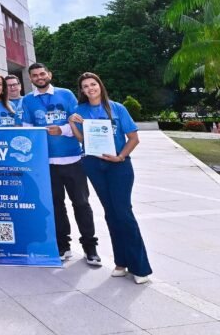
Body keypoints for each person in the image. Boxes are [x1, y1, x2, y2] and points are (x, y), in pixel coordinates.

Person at [68, 72, 151, 283]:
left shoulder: (117, 108)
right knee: (110, 213)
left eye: (93, 84)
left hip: (119, 165)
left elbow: (133, 138)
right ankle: (121, 262)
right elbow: (82, 140)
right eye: (85, 86)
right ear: (82, 90)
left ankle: (140, 268)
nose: (90, 89)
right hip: (94, 165)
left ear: (100, 85)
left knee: (123, 213)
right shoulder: (79, 110)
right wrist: (72, 123)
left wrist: (120, 156)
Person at [21, 63, 100, 265]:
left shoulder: (66, 94)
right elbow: (27, 129)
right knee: (56, 206)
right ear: (30, 79)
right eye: (35, 75)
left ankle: (90, 248)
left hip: (73, 159)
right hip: (46, 163)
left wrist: (62, 130)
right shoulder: (27, 101)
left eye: (42, 73)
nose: (39, 77)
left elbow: (77, 121)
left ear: (49, 74)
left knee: (81, 204)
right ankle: (63, 246)